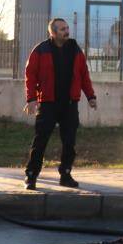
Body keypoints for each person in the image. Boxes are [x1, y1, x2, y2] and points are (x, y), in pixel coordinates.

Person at [23, 18, 97, 190]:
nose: (67, 31)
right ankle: (31, 176)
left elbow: (84, 75)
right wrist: (31, 99)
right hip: (48, 104)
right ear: (53, 32)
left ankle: (66, 175)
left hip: (70, 104)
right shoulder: (41, 50)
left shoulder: (75, 49)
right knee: (40, 142)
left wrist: (91, 96)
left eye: (67, 28)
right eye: (63, 29)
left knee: (69, 143)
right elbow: (30, 75)